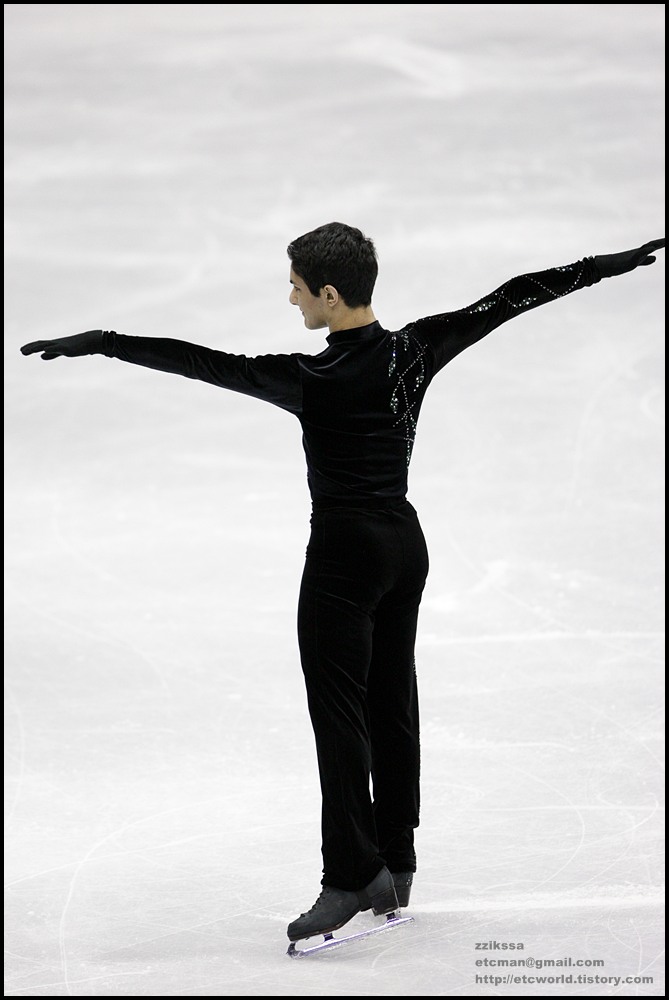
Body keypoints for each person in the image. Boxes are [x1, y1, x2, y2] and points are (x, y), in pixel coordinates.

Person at [20, 225, 664, 946]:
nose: (290, 296)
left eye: (296, 286)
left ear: (330, 293)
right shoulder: (416, 349)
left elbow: (203, 364)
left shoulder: (308, 378)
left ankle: (350, 877)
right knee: (391, 702)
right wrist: (600, 267)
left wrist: (107, 339)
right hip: (403, 547)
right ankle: (396, 859)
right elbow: (508, 300)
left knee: (340, 718)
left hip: (342, 561)